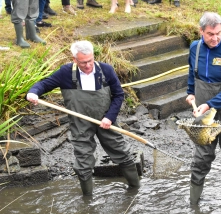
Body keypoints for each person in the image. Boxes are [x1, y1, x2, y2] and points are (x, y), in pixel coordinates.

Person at [26, 40, 141, 196]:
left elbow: (119, 95)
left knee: (122, 153)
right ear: (74, 59)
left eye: (90, 61)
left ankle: (135, 189)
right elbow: (44, 84)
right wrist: (34, 92)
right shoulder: (65, 73)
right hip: (80, 124)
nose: (88, 66)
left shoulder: (106, 70)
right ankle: (88, 200)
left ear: (93, 56)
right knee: (83, 162)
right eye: (83, 63)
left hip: (105, 122)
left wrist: (109, 117)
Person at [185, 12, 221, 204]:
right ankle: (193, 202)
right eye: (210, 33)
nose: (215, 38)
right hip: (203, 108)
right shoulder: (194, 48)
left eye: (218, 33)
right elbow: (192, 73)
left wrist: (210, 105)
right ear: (201, 31)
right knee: (201, 156)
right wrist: (191, 92)